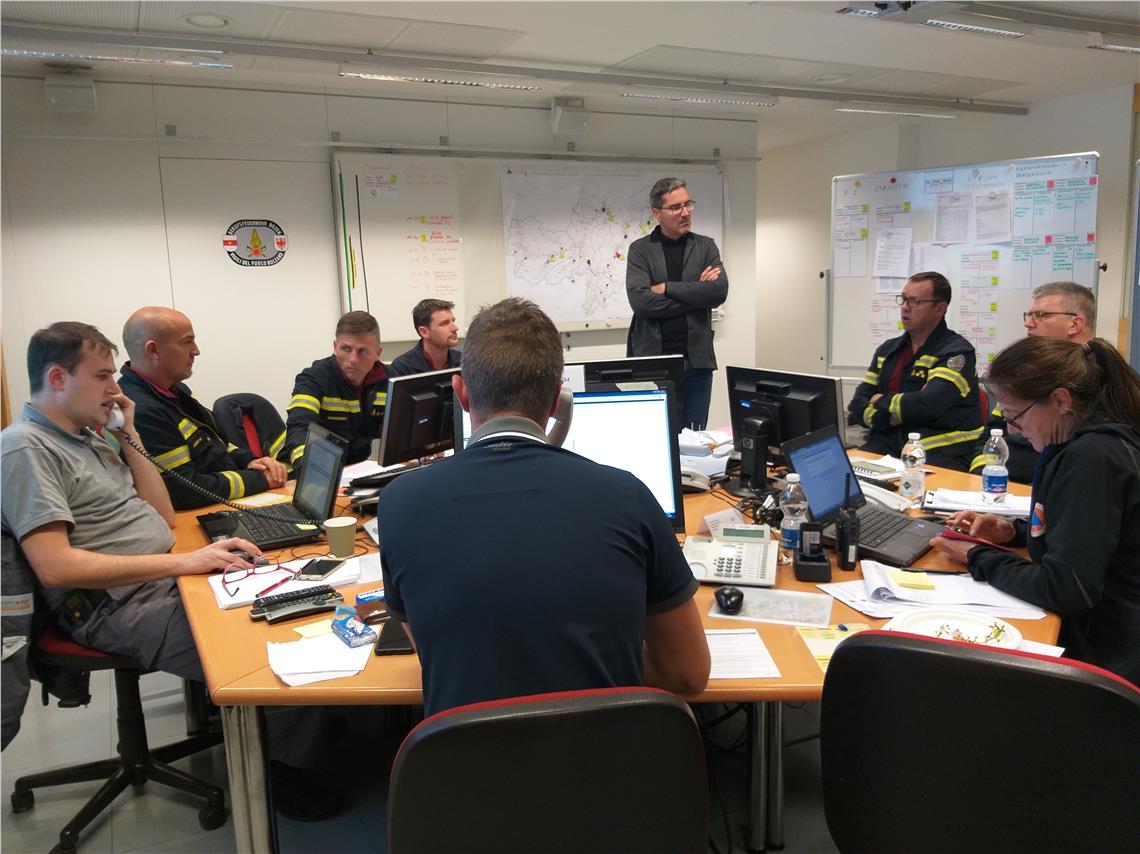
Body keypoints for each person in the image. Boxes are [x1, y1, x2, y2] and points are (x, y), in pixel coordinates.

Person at [1, 322, 343, 821]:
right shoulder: (26, 449)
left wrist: (129, 433)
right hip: (114, 605)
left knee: (301, 594)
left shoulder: (87, 435)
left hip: (160, 578)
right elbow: (54, 567)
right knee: (267, 651)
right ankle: (279, 770)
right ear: (57, 378)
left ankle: (304, 723)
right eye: (102, 376)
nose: (115, 388)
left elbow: (161, 516)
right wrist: (188, 561)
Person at [378, 298, 710, 715]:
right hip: (608, 755)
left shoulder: (400, 505)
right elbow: (688, 675)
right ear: (557, 400)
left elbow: (436, 651)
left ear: (460, 393)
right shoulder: (629, 496)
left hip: (465, 756)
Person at [932, 337, 1140, 684]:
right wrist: (1014, 532)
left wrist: (978, 557)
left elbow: (1067, 588)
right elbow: (1090, 530)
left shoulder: (1093, 458)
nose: (1012, 429)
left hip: (1109, 662)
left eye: (1015, 416)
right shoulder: (1081, 441)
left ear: (1061, 400)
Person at [118, 307, 288, 509]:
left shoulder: (173, 390)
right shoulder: (142, 410)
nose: (196, 351)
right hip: (196, 512)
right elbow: (185, 489)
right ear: (153, 350)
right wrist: (260, 480)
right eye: (187, 342)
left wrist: (250, 462)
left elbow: (218, 443)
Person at [847, 271, 982, 470]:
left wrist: (879, 400)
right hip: (888, 442)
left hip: (940, 450)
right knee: (849, 475)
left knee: (910, 485)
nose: (905, 307)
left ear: (940, 308)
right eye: (903, 299)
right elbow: (857, 404)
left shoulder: (957, 352)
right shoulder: (888, 350)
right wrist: (886, 418)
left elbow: (927, 405)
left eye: (914, 301)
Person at [626, 177, 728, 431]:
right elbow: (641, 303)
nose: (685, 213)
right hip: (653, 362)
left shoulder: (705, 246)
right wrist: (697, 295)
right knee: (656, 435)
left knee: (695, 438)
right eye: (675, 207)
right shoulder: (640, 250)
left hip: (697, 362)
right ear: (657, 213)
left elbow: (718, 292)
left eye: (688, 204)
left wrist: (667, 288)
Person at [969, 281, 1097, 482]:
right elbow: (992, 434)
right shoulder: (1026, 373)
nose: (1028, 323)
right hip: (1003, 487)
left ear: (1075, 324)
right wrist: (983, 475)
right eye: (1029, 315)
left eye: (1041, 315)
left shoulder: (1095, 378)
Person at [280, 310, 391, 467]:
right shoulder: (313, 380)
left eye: (362, 351)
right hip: (316, 468)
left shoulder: (390, 380)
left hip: (362, 469)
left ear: (378, 353)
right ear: (335, 347)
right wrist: (308, 468)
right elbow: (299, 428)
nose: (353, 359)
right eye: (346, 349)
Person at [390, 298, 462, 376]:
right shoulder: (402, 367)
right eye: (445, 323)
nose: (455, 328)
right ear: (424, 332)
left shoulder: (464, 360)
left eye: (453, 321)